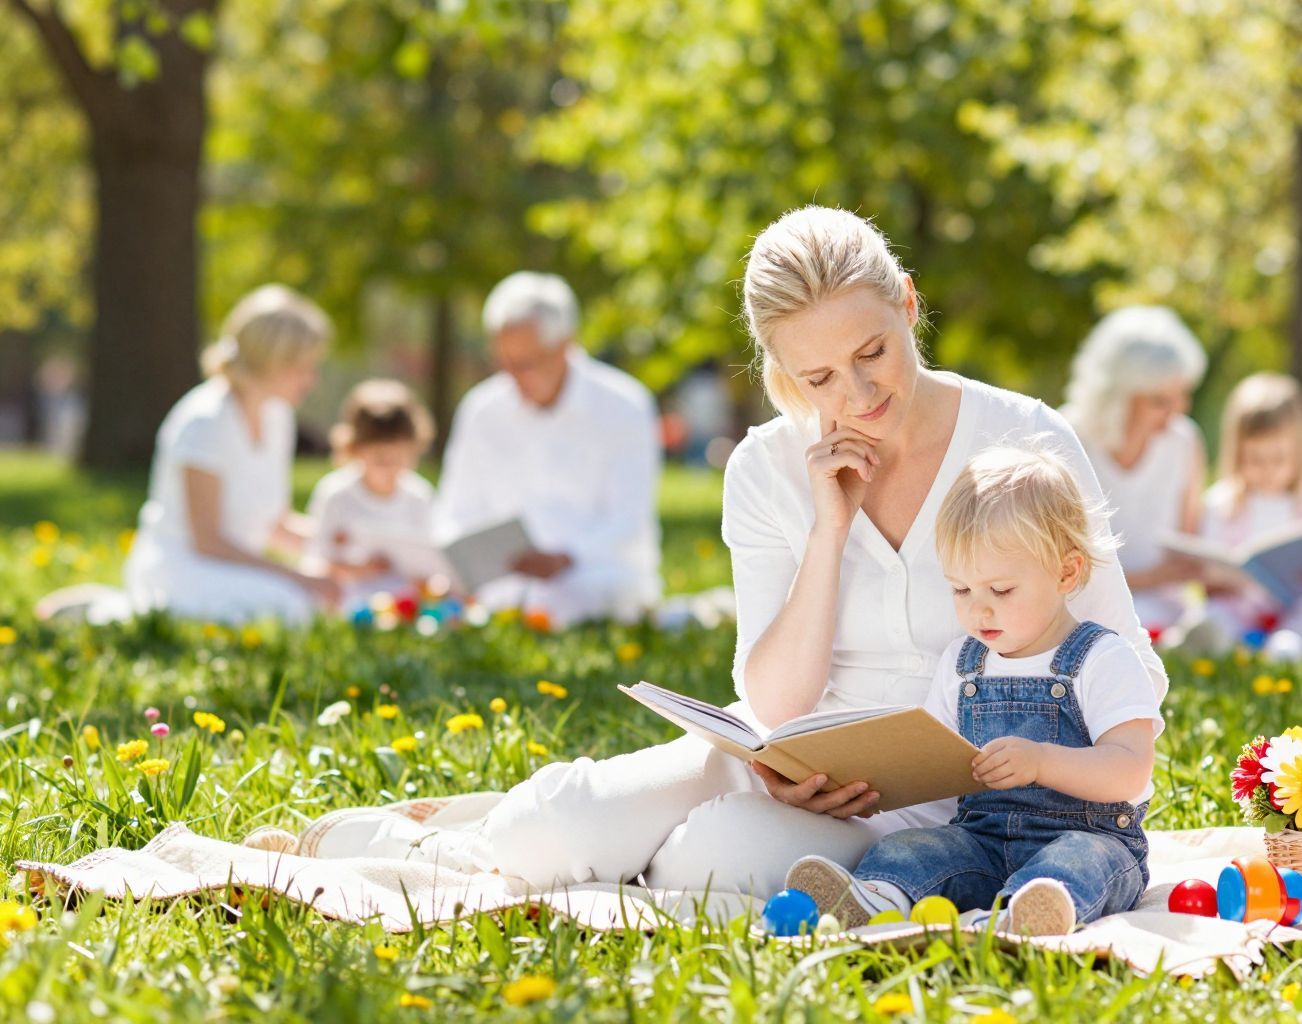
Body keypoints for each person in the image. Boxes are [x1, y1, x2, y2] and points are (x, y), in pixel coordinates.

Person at [292, 207, 1165, 898]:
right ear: (779, 369)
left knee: (711, 865)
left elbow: (1121, 660)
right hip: (797, 761)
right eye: (817, 379)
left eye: (872, 354)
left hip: (960, 809)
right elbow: (774, 701)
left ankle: (585, 846)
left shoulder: (1024, 438)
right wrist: (829, 530)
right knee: (546, 838)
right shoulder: (765, 465)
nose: (856, 397)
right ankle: (425, 838)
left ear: (906, 301)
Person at [787, 444, 1161, 936]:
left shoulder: (1100, 658)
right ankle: (876, 897)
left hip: (1089, 835)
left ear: (1066, 572)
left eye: (1000, 591)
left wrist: (1043, 761)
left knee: (1082, 862)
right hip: (982, 839)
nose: (977, 611)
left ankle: (1024, 916)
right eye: (960, 590)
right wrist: (872, 771)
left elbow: (1130, 771)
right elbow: (935, 757)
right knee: (917, 847)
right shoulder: (964, 664)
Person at [435, 272, 661, 627]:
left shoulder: (623, 406)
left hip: (596, 573)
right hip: (505, 581)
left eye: (524, 364)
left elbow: (628, 523)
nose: (511, 377)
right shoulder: (482, 408)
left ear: (565, 347)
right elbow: (455, 511)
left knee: (560, 599)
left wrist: (566, 557)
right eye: (503, 362)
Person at [122, 285, 338, 624]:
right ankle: (112, 609)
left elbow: (275, 524)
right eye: (303, 366)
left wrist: (342, 545)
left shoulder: (277, 415)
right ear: (272, 362)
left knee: (340, 593)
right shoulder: (206, 421)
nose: (312, 378)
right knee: (294, 606)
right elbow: (207, 540)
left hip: (236, 567)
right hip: (185, 568)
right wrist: (296, 577)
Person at [1060, 307, 1208, 636]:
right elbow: (1056, 564)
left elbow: (1188, 544)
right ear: (1116, 397)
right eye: (1160, 400)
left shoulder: (1184, 441)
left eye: (1181, 395)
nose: (1178, 410)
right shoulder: (1067, 437)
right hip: (1083, 604)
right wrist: (1151, 577)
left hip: (1164, 604)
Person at [1195, 373, 1302, 654]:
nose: (1267, 470)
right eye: (1254, 459)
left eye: (1279, 458)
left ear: (1300, 452)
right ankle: (1214, 638)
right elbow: (1208, 580)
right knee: (1214, 616)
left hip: (1299, 609)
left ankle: (1287, 645)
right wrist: (1225, 579)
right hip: (1240, 608)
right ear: (1236, 454)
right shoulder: (1221, 503)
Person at [305, 379, 436, 606]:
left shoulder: (419, 496)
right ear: (355, 450)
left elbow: (431, 561)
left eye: (398, 459)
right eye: (379, 460)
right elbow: (317, 559)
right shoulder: (336, 494)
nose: (389, 469)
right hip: (352, 597)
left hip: (405, 600)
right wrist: (361, 569)